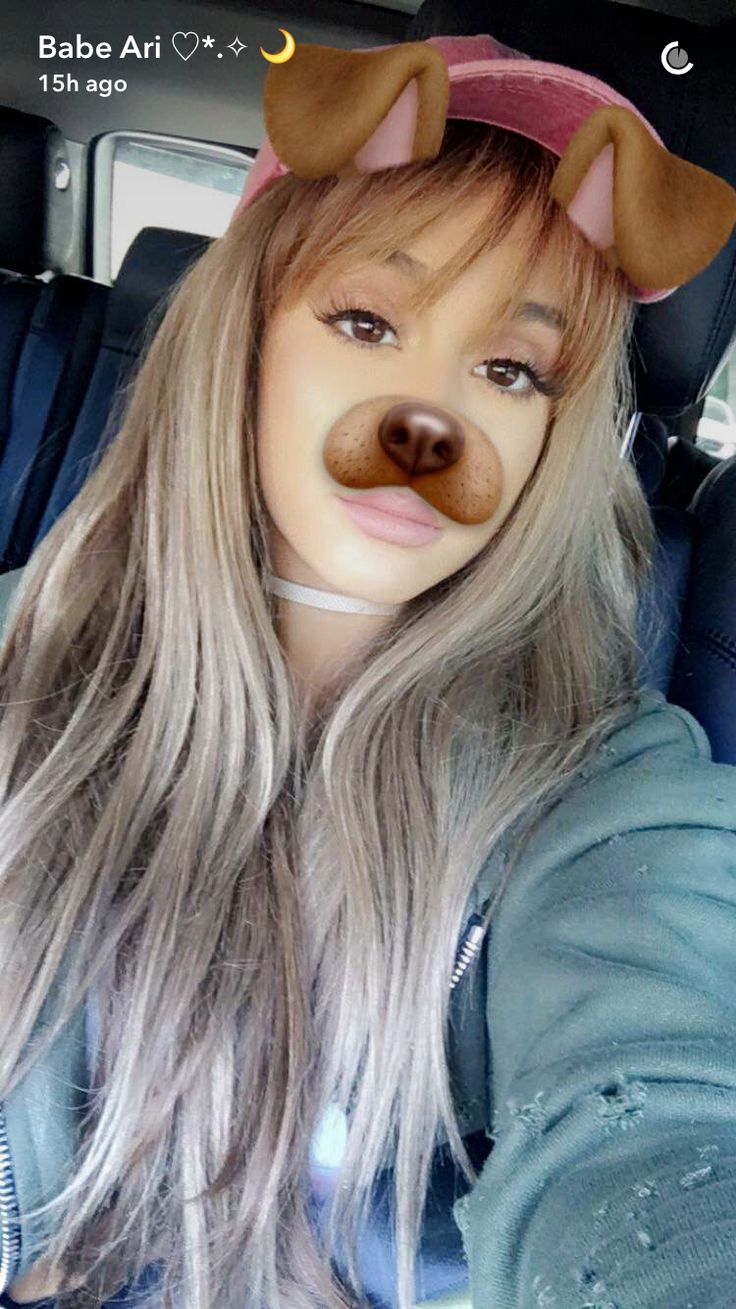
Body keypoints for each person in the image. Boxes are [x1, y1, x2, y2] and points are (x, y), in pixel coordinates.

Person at [1, 29, 735, 1309]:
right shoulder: (24, 656)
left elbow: (657, 1127)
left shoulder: (595, 786)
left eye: (508, 368)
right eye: (365, 320)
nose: (429, 416)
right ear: (243, 342)